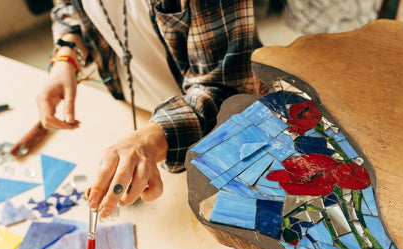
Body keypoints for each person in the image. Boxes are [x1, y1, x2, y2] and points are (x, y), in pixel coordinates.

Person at [36, 0, 261, 217]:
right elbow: (69, 8)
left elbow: (227, 89)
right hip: (144, 118)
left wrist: (148, 142)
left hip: (222, 134)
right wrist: (66, 55)